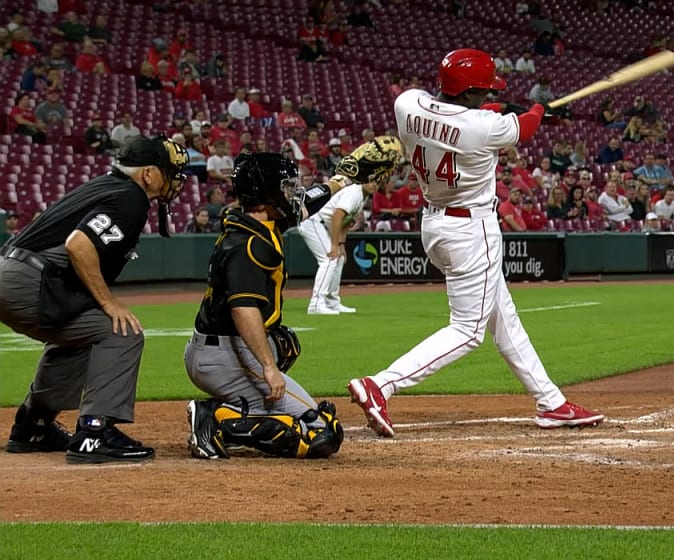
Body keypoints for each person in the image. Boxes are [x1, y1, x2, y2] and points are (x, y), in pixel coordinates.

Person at [348, 49, 605, 438]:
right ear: (471, 93)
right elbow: (523, 127)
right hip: (472, 230)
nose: (487, 96)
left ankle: (550, 402)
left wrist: (518, 107)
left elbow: (476, 110)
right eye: (482, 91)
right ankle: (382, 384)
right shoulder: (485, 128)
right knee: (468, 330)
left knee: (503, 317)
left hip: (435, 225)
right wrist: (536, 110)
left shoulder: (408, 103)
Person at [0, 136, 188, 463]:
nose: (173, 178)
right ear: (147, 174)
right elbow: (79, 245)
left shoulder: (108, 186)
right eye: (167, 170)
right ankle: (95, 432)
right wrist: (109, 302)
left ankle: (34, 426)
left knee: (80, 334)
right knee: (121, 332)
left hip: (16, 273)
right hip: (31, 279)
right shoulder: (131, 198)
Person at [182, 153, 345, 460]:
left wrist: (341, 181)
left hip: (217, 347)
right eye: (285, 186)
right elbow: (243, 310)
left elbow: (308, 203)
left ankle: (238, 408)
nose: (292, 192)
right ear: (266, 192)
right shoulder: (246, 244)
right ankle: (215, 418)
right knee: (320, 434)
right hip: (226, 352)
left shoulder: (258, 224)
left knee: (285, 343)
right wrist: (269, 369)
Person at [297, 142, 393, 314]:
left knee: (338, 258)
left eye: (377, 183)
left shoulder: (363, 197)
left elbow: (346, 222)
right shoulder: (355, 192)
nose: (374, 185)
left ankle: (332, 301)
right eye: (371, 180)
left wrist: (341, 245)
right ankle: (316, 303)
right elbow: (337, 216)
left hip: (321, 223)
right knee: (329, 259)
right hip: (312, 220)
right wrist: (334, 245)